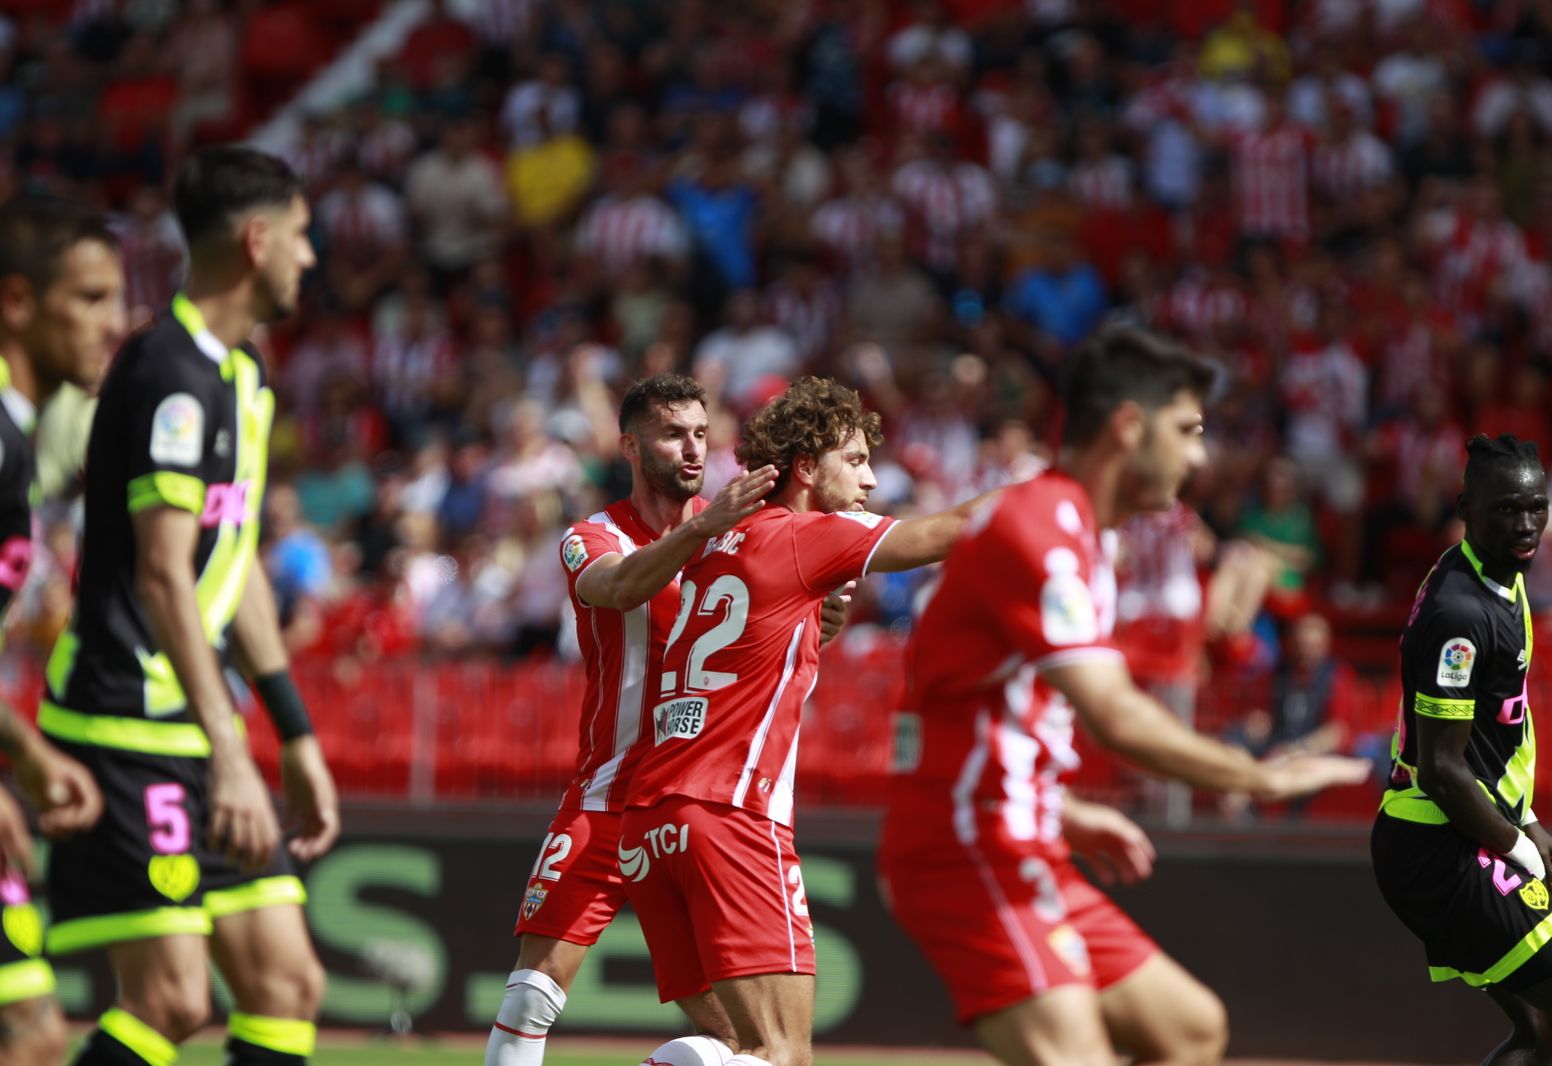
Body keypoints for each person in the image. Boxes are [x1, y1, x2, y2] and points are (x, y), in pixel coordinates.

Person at [877, 327, 1371, 1066]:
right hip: (964, 850)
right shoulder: (1039, 526)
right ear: (1128, 426)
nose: (1199, 456)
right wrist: (1257, 773)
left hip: (1022, 833)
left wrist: (1061, 809)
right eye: (1186, 431)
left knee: (1191, 1029)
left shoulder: (1083, 532)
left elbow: (979, 705)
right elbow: (1114, 715)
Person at [39, 147, 339, 1066]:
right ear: (256, 241)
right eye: (300, 236)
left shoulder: (240, 375)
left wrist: (289, 733)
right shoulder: (170, 372)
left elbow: (231, 562)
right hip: (127, 725)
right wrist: (230, 749)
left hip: (197, 728)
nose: (311, 258)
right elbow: (165, 575)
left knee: (287, 984)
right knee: (170, 1001)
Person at [622, 376, 1010, 1066]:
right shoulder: (808, 536)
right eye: (855, 460)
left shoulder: (715, 542)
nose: (870, 479)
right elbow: (950, 531)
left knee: (738, 1047)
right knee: (785, 1055)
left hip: (651, 823)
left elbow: (743, 647)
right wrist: (1065, 491)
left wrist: (816, 627)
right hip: (732, 811)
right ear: (805, 469)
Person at [486, 373, 850, 1066]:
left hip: (693, 801)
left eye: (701, 435)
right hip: (607, 794)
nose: (692, 450)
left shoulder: (742, 534)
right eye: (672, 433)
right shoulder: (591, 536)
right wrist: (707, 528)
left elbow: (780, 635)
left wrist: (822, 619)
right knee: (530, 993)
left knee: (748, 1040)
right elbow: (621, 586)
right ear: (630, 444)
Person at [0, 195, 122, 1065]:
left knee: (19, 1038)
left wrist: (16, 749)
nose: (114, 323)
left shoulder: (4, 437)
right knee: (24, 1039)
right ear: (18, 302)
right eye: (90, 299)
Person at [1372, 434, 1552, 1064]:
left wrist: (1526, 818)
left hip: (1476, 828)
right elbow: (1444, 770)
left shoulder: (1500, 573)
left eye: (1537, 507)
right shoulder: (1460, 615)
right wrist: (1519, 844)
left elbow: (1494, 734)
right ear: (1466, 507)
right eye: (1506, 510)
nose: (1525, 525)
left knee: (1540, 1035)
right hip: (1440, 845)